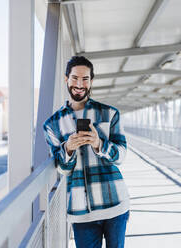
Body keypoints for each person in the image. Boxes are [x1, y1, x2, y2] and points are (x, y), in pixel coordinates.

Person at [43, 56, 130, 248]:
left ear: (91, 81)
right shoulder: (52, 124)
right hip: (81, 211)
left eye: (85, 79)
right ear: (66, 79)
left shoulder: (110, 113)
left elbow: (121, 155)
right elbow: (62, 169)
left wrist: (100, 144)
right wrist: (68, 148)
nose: (79, 84)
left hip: (115, 204)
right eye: (75, 78)